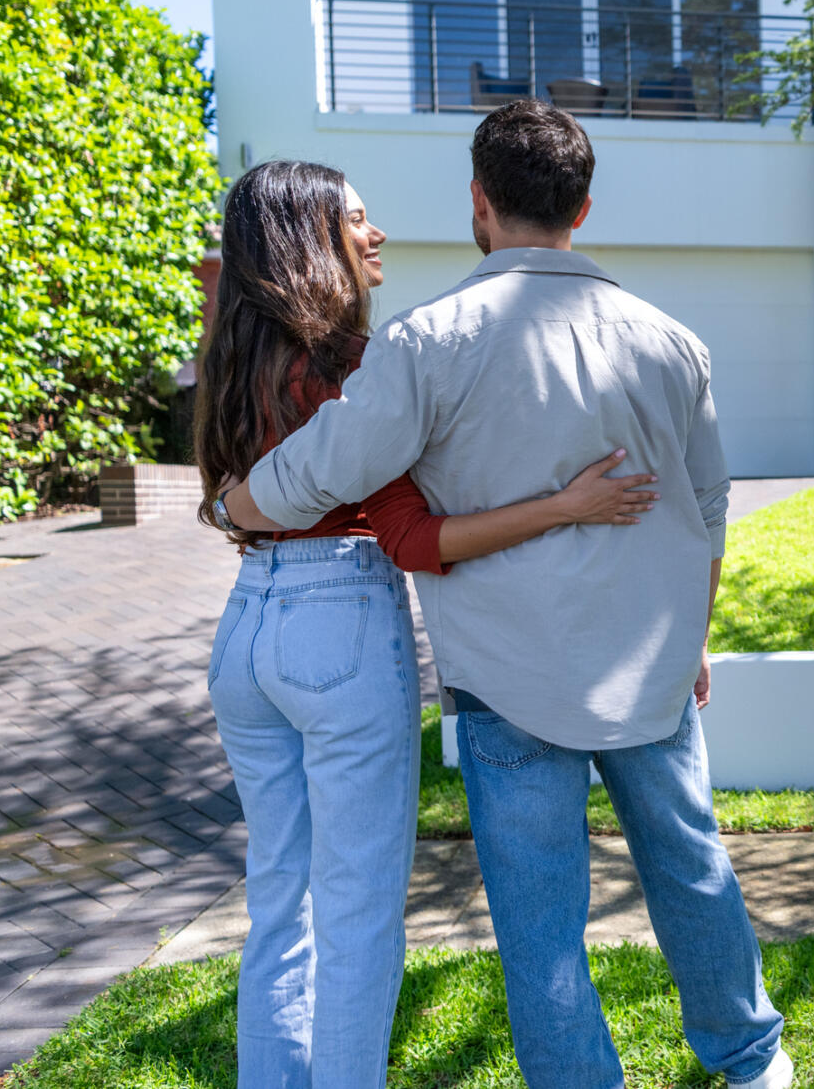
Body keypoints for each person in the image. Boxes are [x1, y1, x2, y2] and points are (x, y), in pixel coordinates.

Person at [221, 102, 792, 1089]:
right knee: (693, 872)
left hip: (505, 683)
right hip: (649, 673)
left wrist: (242, 501)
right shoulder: (674, 343)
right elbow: (708, 508)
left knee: (541, 930)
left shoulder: (424, 343)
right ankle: (754, 1062)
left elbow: (327, 465)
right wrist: (693, 636)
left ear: (481, 202)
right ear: (583, 207)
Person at [195, 160, 664, 1088]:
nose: (377, 236)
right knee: (360, 908)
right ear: (309, 241)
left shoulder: (230, 365)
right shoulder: (357, 370)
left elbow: (229, 504)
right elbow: (413, 538)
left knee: (279, 899)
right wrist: (563, 507)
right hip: (339, 623)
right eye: (357, 221)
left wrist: (232, 513)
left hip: (246, 630)